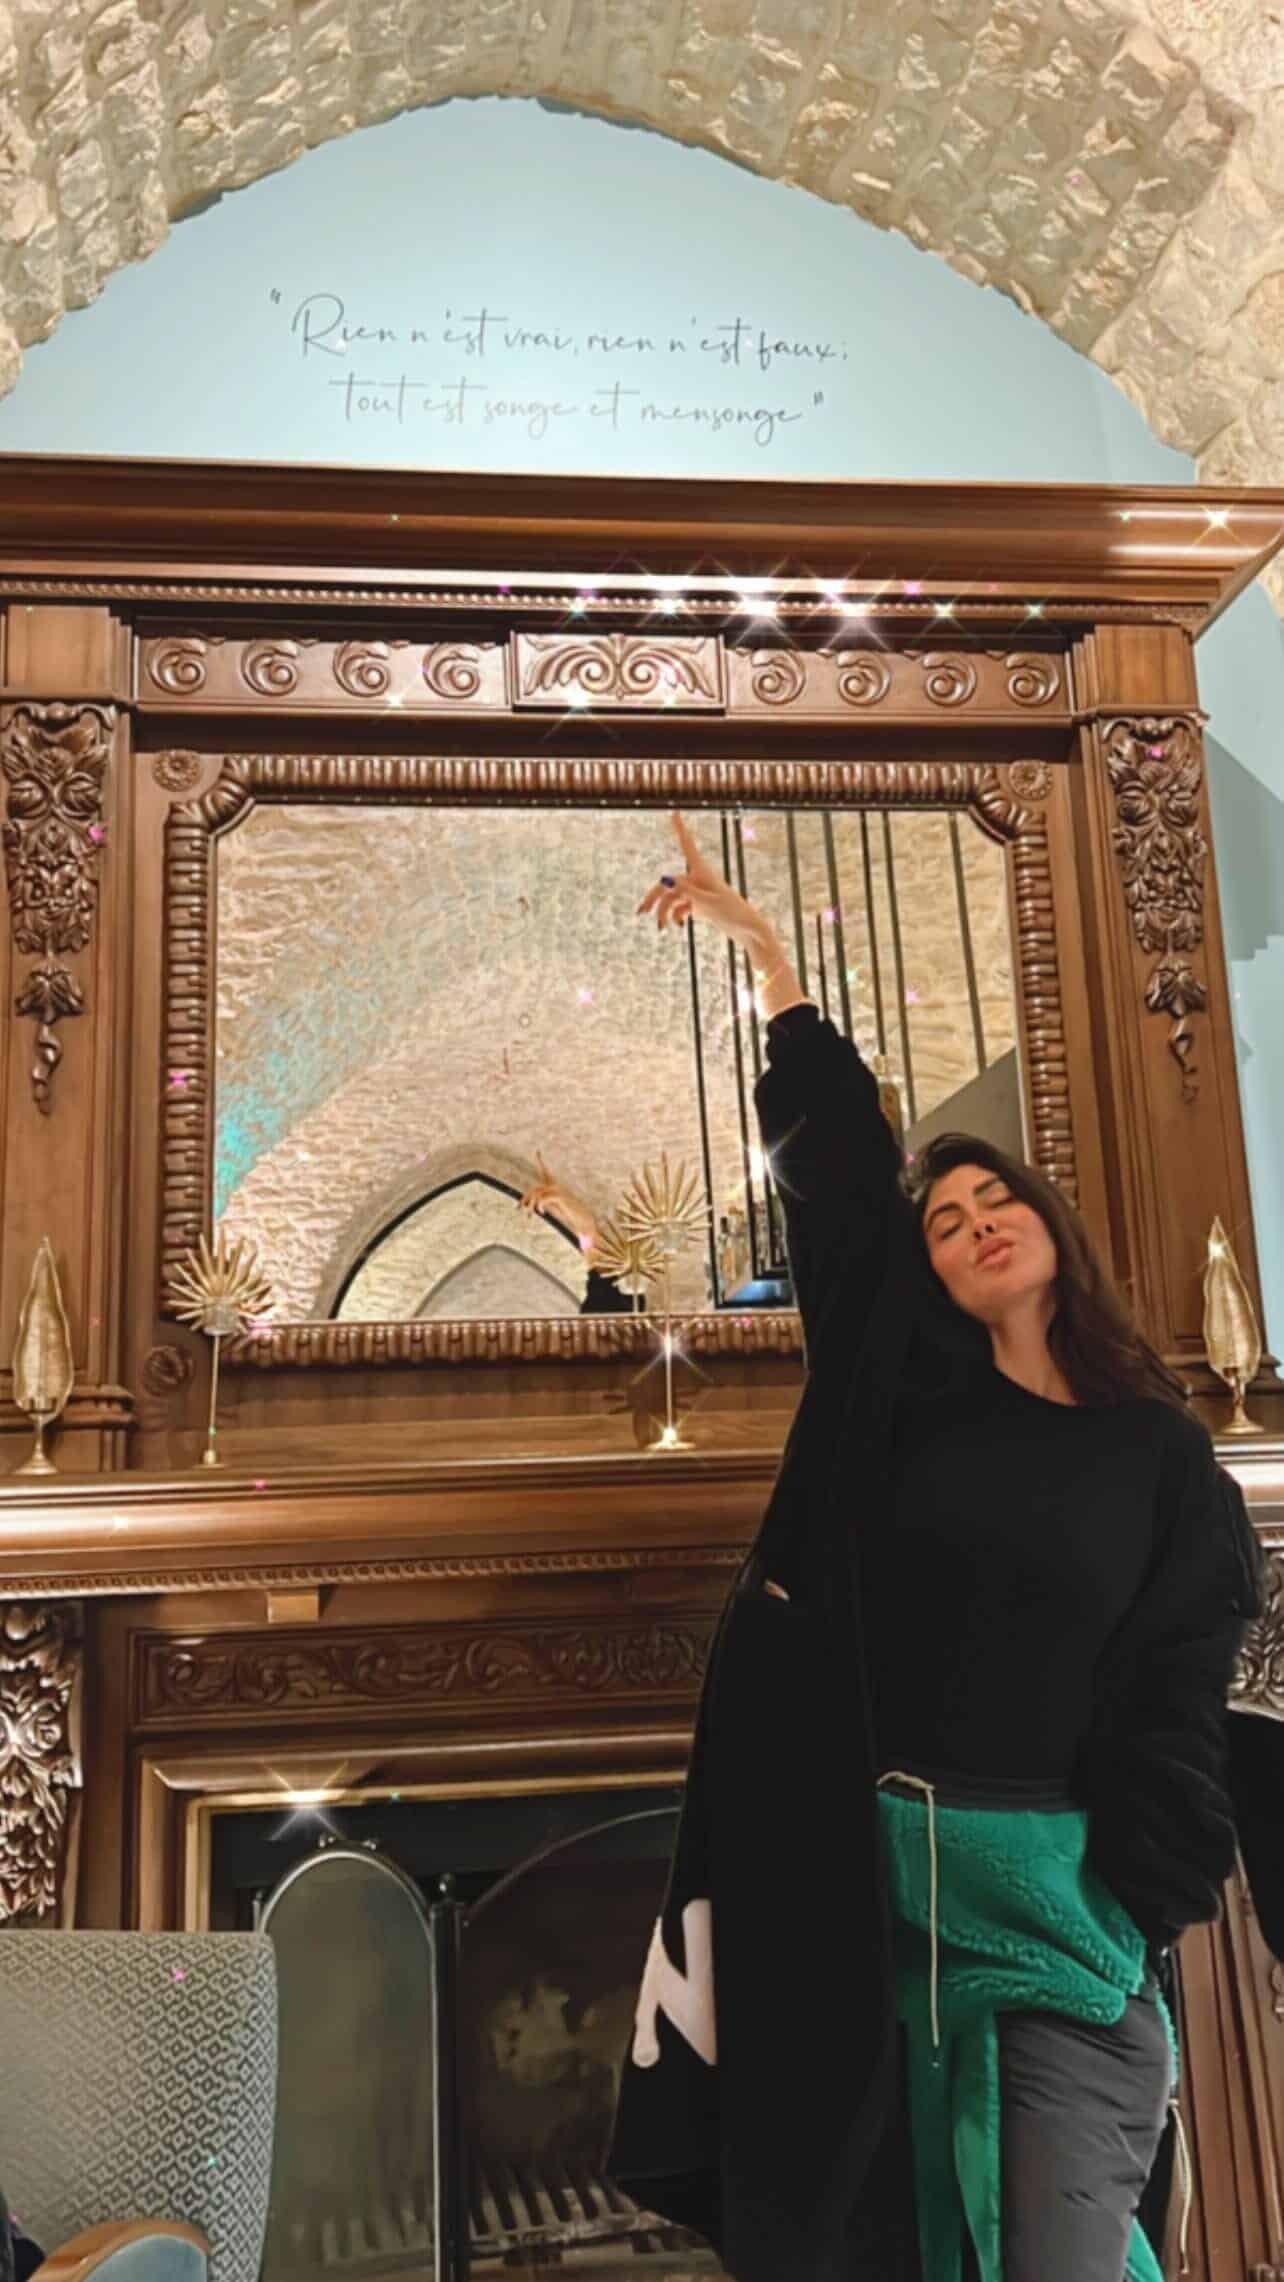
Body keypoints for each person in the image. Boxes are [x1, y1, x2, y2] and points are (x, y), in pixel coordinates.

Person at [607, 814, 1274, 2282]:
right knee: (903, 2239)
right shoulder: (904, 1410)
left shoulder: (1158, 1452)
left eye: (998, 1198)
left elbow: (1178, 1692)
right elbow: (848, 1190)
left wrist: (1142, 1889)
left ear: (1051, 1227)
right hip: (871, 1884)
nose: (975, 1221)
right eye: (949, 1216)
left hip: (1053, 1892)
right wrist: (770, 964)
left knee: (1055, 2242)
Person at [517, 1154, 646, 1315]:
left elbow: (585, 1232)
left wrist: (558, 1199)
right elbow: (585, 1232)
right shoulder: (609, 1279)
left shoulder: (607, 1278)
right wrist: (558, 1199)